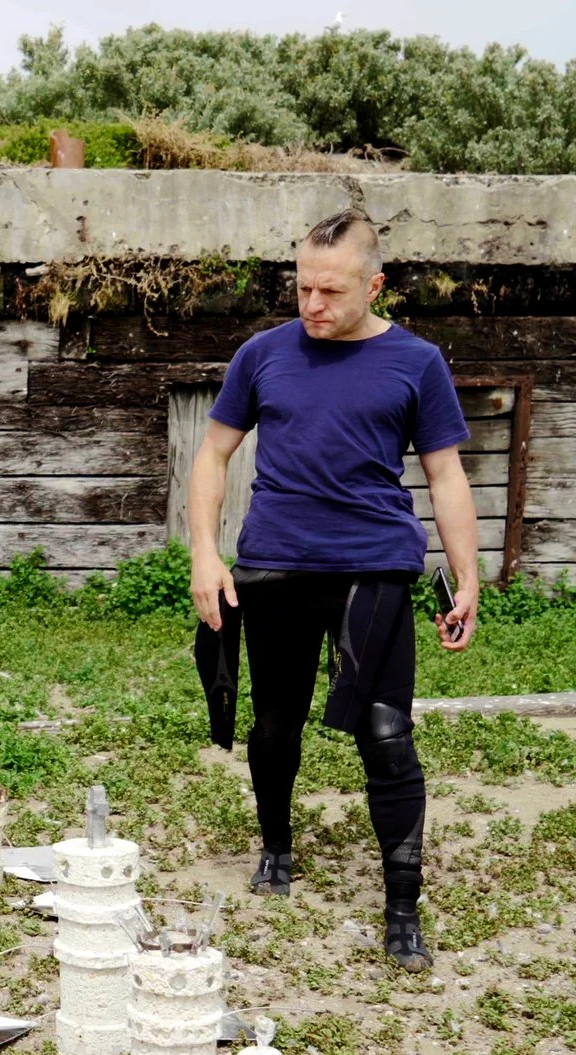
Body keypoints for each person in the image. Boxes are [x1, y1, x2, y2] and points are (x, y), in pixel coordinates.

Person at [186, 210, 480, 974]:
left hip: (374, 569)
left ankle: (402, 907)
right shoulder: (262, 355)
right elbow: (213, 456)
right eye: (302, 288)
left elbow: (446, 475)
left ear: (375, 284)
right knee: (275, 725)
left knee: (386, 733)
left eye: (331, 290)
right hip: (275, 568)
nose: (312, 304)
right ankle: (276, 849)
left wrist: (468, 575)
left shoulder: (416, 363)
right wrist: (204, 556)